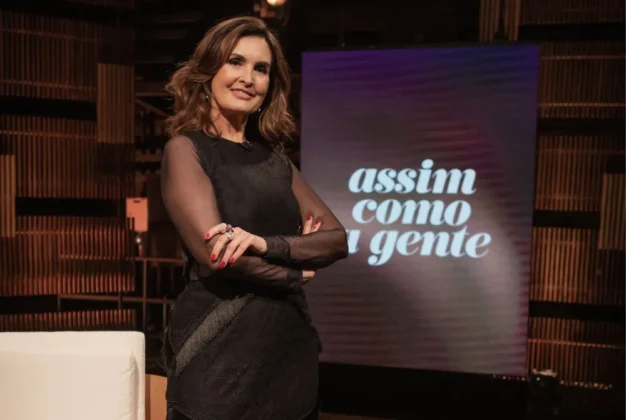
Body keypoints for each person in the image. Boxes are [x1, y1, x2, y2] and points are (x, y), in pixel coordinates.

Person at [159, 16, 349, 420]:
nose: (248, 78)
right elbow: (217, 256)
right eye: (236, 62)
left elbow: (337, 239)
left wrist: (265, 243)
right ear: (208, 71)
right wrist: (295, 271)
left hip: (287, 356)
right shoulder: (186, 150)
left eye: (261, 69)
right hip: (219, 359)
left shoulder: (275, 161)